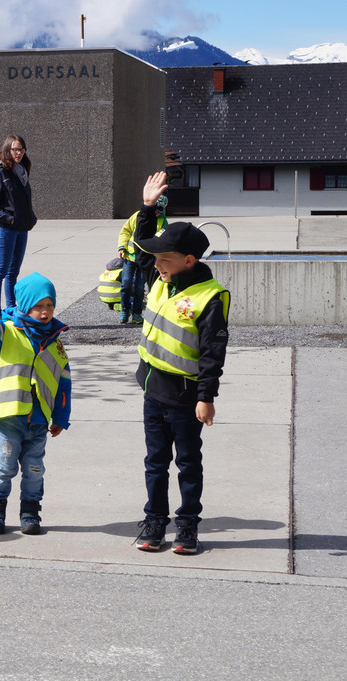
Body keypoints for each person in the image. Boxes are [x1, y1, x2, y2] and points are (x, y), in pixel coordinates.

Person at [130, 174, 230, 555]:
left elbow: (212, 355)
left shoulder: (209, 298)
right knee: (155, 462)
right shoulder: (161, 277)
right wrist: (148, 207)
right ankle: (154, 520)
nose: (156, 264)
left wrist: (207, 397)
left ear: (188, 260)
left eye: (165, 259)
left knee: (187, 463)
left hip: (187, 398)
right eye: (156, 259)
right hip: (154, 391)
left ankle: (187, 525)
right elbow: (141, 250)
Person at [0, 265, 71, 535]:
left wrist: (61, 418)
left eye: (49, 305)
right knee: (5, 466)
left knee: (35, 469)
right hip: (10, 416)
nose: (45, 312)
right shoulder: (7, 333)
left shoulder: (55, 342)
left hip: (40, 419)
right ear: (23, 306)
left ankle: (30, 512)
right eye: (37, 306)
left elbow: (63, 382)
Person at [0, 135, 37, 319]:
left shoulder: (22, 170)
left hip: (22, 228)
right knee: (1, 271)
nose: (19, 153)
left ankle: (12, 308)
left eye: (21, 149)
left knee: (14, 272)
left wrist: (29, 217)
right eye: (15, 149)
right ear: (7, 150)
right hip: (6, 229)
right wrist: (9, 218)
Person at [116, 193, 168, 324]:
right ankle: (124, 310)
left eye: (159, 212)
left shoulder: (162, 220)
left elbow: (165, 238)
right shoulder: (138, 215)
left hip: (146, 258)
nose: (156, 214)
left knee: (140, 286)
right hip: (131, 255)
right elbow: (125, 231)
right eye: (155, 211)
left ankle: (137, 313)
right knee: (126, 283)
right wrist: (122, 246)